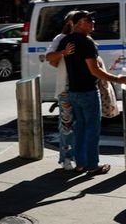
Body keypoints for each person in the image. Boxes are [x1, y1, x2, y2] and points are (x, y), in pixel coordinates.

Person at [58, 10, 126, 175]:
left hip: (74, 91)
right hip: (88, 92)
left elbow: (54, 59)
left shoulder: (66, 40)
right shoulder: (86, 42)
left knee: (80, 129)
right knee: (92, 130)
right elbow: (94, 70)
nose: (93, 22)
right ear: (78, 23)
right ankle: (92, 165)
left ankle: (80, 164)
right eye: (89, 19)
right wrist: (118, 79)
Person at [45, 13, 76, 170]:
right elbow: (49, 57)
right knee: (67, 125)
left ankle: (80, 158)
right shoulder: (60, 38)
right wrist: (63, 53)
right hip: (66, 88)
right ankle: (66, 159)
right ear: (71, 22)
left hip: (84, 88)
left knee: (81, 125)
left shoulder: (85, 38)